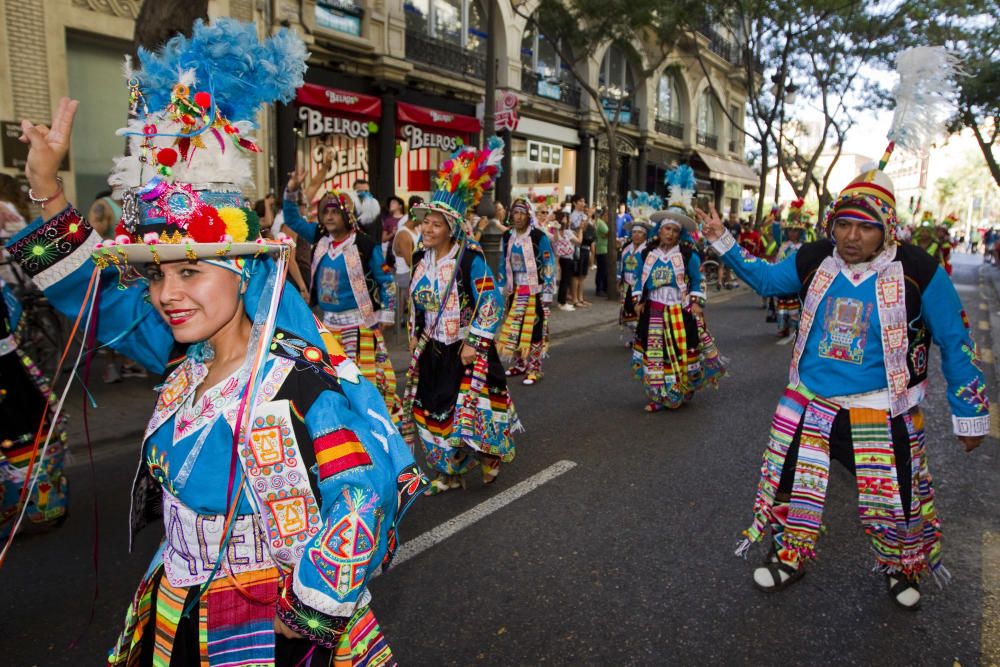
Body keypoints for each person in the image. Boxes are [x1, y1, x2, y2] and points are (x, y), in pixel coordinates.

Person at [7, 19, 424, 664]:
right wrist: (45, 188)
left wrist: (312, 603)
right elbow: (91, 294)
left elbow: (364, 493)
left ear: (244, 269)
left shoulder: (301, 383)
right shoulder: (183, 364)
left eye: (191, 270)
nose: (168, 292)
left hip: (264, 621)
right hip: (175, 607)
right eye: (158, 273)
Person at [697, 152, 989, 609]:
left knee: (895, 496)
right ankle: (788, 556)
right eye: (844, 225)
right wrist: (724, 241)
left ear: (888, 228)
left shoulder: (920, 270)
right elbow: (770, 281)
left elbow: (956, 340)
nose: (852, 238)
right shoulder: (816, 257)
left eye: (866, 227)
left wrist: (969, 414)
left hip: (880, 407)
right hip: (809, 402)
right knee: (792, 483)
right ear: (831, 225)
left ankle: (899, 565)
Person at [401, 137, 520, 494]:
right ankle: (449, 471)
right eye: (425, 224)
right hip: (433, 348)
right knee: (432, 409)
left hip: (465, 350)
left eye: (435, 225)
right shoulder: (421, 260)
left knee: (469, 411)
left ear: (451, 228)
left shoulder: (470, 260)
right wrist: (413, 334)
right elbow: (416, 303)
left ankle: (488, 457)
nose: (427, 230)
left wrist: (474, 342)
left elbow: (490, 302)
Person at [282, 170, 402, 423]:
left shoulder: (365, 244)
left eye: (334, 211)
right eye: (325, 212)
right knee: (330, 380)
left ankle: (371, 425)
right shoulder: (320, 239)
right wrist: (291, 190)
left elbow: (386, 281)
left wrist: (388, 313)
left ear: (347, 215)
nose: (328, 216)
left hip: (358, 326)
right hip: (327, 326)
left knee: (362, 381)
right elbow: (292, 219)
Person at [631, 166, 726, 412]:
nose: (670, 233)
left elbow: (698, 281)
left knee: (680, 351)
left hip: (678, 311)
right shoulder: (648, 253)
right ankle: (658, 395)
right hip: (654, 311)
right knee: (656, 353)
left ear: (679, 233)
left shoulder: (687, 255)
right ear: (659, 229)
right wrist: (638, 300)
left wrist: (696, 302)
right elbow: (637, 279)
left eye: (674, 230)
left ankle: (679, 390)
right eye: (666, 228)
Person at [0, 277, 69, 541]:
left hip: (9, 379)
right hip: (10, 373)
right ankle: (32, 509)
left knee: (23, 440)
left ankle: (37, 508)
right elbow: (15, 314)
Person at [497, 198, 556, 386]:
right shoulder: (507, 237)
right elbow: (501, 262)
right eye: (516, 213)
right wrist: (501, 286)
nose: (519, 217)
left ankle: (534, 368)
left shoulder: (539, 237)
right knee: (515, 328)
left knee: (535, 330)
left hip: (535, 291)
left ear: (528, 216)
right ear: (511, 215)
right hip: (515, 290)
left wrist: (547, 292)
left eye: (523, 213)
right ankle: (520, 363)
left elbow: (548, 263)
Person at [772, 202, 808, 338]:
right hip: (782, 280)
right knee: (781, 305)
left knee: (794, 306)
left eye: (796, 231)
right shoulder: (783, 244)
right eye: (790, 230)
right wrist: (777, 216)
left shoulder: (803, 247)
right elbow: (775, 231)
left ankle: (794, 328)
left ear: (800, 232)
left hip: (796, 281)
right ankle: (782, 327)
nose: (793, 233)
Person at [618, 218, 649, 346]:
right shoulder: (626, 248)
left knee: (641, 313)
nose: (636, 235)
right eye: (634, 232)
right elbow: (621, 265)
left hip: (641, 286)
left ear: (645, 235)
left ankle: (643, 339)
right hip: (627, 285)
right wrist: (619, 279)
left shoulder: (648, 250)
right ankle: (636, 338)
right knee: (628, 313)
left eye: (640, 233)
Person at [552, 210, 578, 311]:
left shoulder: (565, 231)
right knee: (565, 281)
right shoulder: (560, 230)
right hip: (565, 258)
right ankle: (562, 303)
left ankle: (562, 301)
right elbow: (557, 240)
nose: (568, 220)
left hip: (566, 258)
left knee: (565, 281)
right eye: (566, 218)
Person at [593, 208, 610, 297]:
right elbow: (608, 233)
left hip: (603, 248)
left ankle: (602, 288)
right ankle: (600, 288)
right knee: (602, 270)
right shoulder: (601, 223)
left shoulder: (601, 223)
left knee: (603, 270)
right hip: (602, 249)